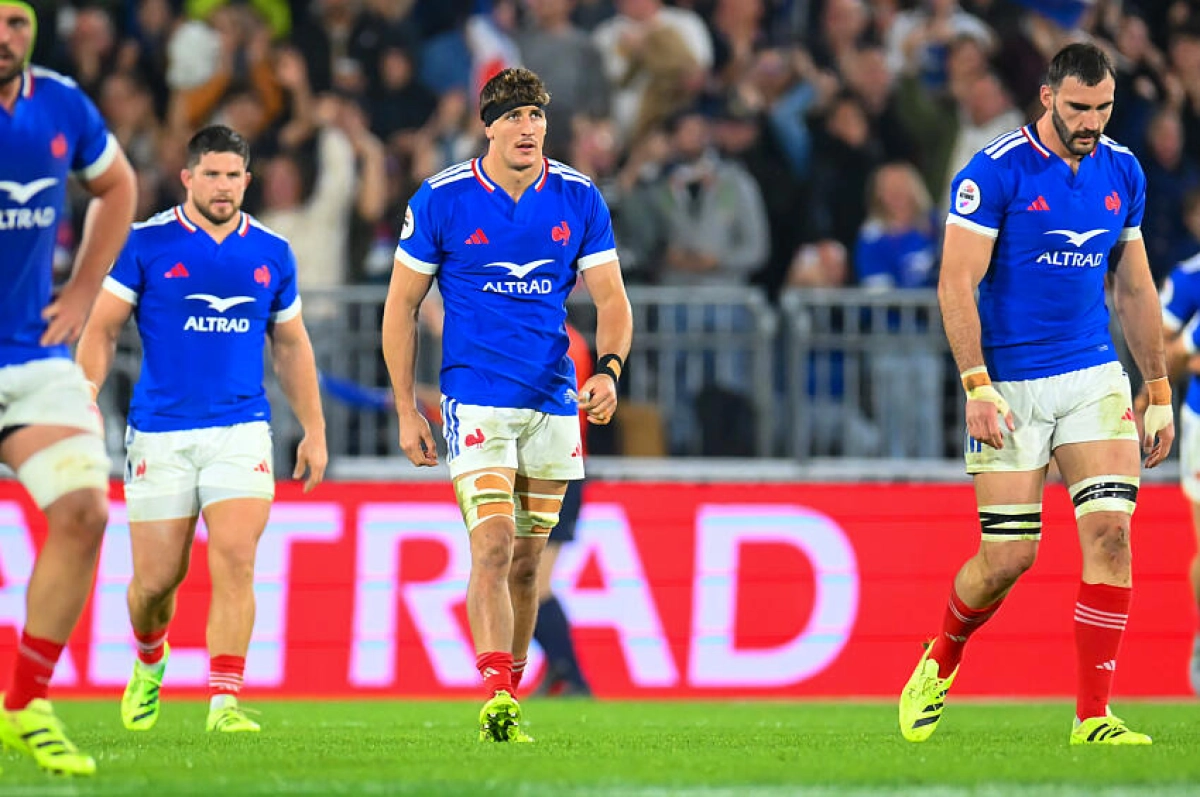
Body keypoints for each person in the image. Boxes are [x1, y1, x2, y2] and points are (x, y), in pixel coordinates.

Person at [899, 43, 1175, 746]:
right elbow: (955, 281)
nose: (1091, 120)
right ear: (1049, 96)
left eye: (1103, 107)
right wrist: (975, 385)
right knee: (1009, 558)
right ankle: (942, 655)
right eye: (1079, 107)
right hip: (1010, 383)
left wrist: (1157, 386)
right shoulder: (994, 172)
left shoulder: (1123, 171)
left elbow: (1135, 285)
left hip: (1091, 374)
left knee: (1112, 534)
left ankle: (1092, 716)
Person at [382, 66, 632, 742]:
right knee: (491, 546)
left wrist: (608, 369)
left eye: (537, 117)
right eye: (515, 116)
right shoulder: (442, 199)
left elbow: (612, 301)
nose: (529, 128)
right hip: (476, 399)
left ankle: (509, 685)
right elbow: (401, 306)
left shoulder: (579, 197)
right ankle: (496, 693)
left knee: (528, 563)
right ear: (487, 126)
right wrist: (408, 409)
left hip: (553, 405)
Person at [75, 125, 327, 735]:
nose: (223, 186)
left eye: (233, 175)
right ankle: (149, 657)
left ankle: (224, 703)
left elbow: (291, 345)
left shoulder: (271, 252)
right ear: (187, 177)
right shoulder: (146, 243)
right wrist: (84, 396)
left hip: (241, 428)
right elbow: (103, 327)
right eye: (211, 174)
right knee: (157, 583)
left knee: (237, 557)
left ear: (248, 179)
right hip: (160, 432)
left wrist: (314, 430)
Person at [0, 1, 138, 777]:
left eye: (16, 22)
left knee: (84, 511)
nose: (3, 37)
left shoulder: (61, 103)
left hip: (29, 352)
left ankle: (24, 705)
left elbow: (117, 185)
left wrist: (85, 287)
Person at [533, 322, 594, 698]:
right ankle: (561, 669)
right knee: (518, 581)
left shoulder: (567, 342)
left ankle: (571, 674)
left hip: (558, 472)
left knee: (533, 583)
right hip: (536, 470)